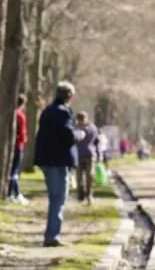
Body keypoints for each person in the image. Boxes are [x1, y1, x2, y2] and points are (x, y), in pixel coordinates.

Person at [34, 81, 84, 247]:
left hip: (47, 159)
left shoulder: (47, 111)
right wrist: (80, 134)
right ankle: (52, 236)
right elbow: (68, 137)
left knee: (54, 198)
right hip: (58, 161)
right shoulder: (63, 113)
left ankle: (52, 234)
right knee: (59, 199)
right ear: (69, 96)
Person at [7, 94, 28, 204]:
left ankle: (11, 193)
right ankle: (15, 193)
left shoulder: (10, 114)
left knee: (12, 170)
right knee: (14, 170)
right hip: (18, 145)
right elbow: (22, 133)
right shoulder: (20, 115)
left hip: (13, 144)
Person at [75, 112, 100, 205]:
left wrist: (98, 154)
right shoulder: (75, 128)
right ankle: (80, 196)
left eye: (83, 119)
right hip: (79, 155)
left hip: (90, 155)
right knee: (79, 177)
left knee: (90, 176)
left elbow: (97, 141)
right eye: (80, 120)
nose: (81, 122)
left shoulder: (93, 128)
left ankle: (89, 195)